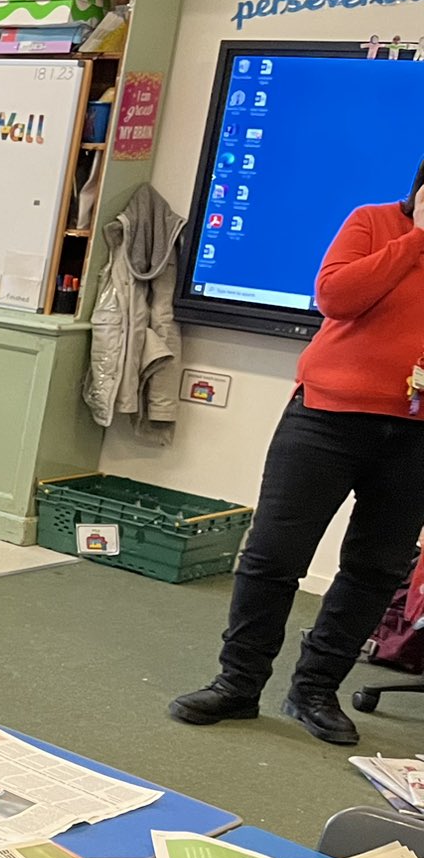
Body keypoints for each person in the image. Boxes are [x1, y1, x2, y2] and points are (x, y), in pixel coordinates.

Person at [171, 164, 424, 746]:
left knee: (376, 568)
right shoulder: (373, 222)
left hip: (416, 436)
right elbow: (337, 297)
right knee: (273, 556)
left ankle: (314, 690)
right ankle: (238, 683)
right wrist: (416, 240)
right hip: (326, 416)